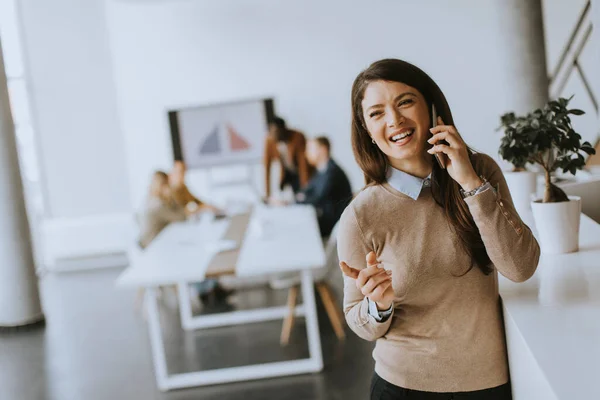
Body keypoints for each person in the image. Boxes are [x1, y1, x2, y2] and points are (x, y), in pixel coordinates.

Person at [337, 59, 540, 400]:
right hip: (402, 386)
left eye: (405, 101)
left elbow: (520, 268)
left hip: (487, 383)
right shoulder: (361, 214)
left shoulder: (481, 171)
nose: (394, 120)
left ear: (432, 108)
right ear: (367, 131)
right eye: (376, 113)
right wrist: (378, 305)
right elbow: (358, 319)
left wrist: (470, 184)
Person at [169, 160, 232, 306]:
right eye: (179, 172)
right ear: (172, 173)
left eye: (183, 172)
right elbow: (181, 213)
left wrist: (212, 207)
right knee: (196, 256)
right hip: (178, 235)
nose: (182, 175)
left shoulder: (183, 188)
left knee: (211, 249)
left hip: (188, 229)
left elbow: (197, 201)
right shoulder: (171, 191)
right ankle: (205, 291)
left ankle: (213, 288)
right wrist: (200, 209)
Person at [271, 136, 353, 238]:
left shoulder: (333, 172)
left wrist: (290, 202)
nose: (306, 153)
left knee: (293, 228)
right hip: (323, 218)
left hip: (332, 224)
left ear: (322, 150)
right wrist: (293, 199)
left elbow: (316, 198)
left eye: (310, 149)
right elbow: (307, 190)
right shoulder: (322, 170)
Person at [263, 117, 311, 199]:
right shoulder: (269, 141)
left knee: (302, 195)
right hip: (287, 173)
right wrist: (267, 194)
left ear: (283, 129)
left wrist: (306, 189)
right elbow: (267, 167)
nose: (273, 135)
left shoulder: (297, 137)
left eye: (276, 131)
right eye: (271, 132)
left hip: (300, 172)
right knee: (283, 195)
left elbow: (303, 165)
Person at [138, 171, 187, 249]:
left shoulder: (150, 199)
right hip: (152, 247)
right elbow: (182, 217)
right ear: (164, 185)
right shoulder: (158, 205)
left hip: (150, 243)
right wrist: (172, 196)